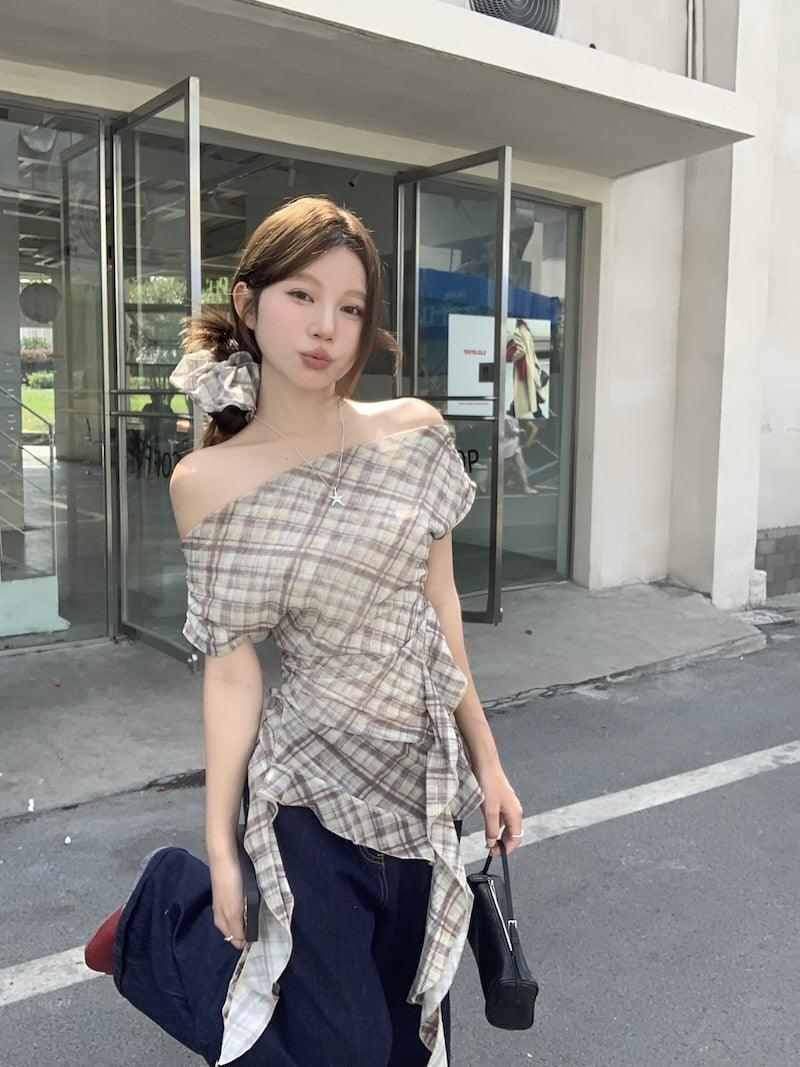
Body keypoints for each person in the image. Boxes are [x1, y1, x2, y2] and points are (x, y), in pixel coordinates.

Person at [84, 196, 522, 1067]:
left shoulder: (415, 435)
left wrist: (489, 759)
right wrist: (219, 846)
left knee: (405, 1043)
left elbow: (440, 613)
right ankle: (170, 911)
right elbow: (232, 669)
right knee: (343, 1049)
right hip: (305, 795)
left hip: (421, 788)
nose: (327, 326)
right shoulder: (209, 480)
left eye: (351, 307)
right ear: (248, 303)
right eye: (302, 295)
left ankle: (177, 928)